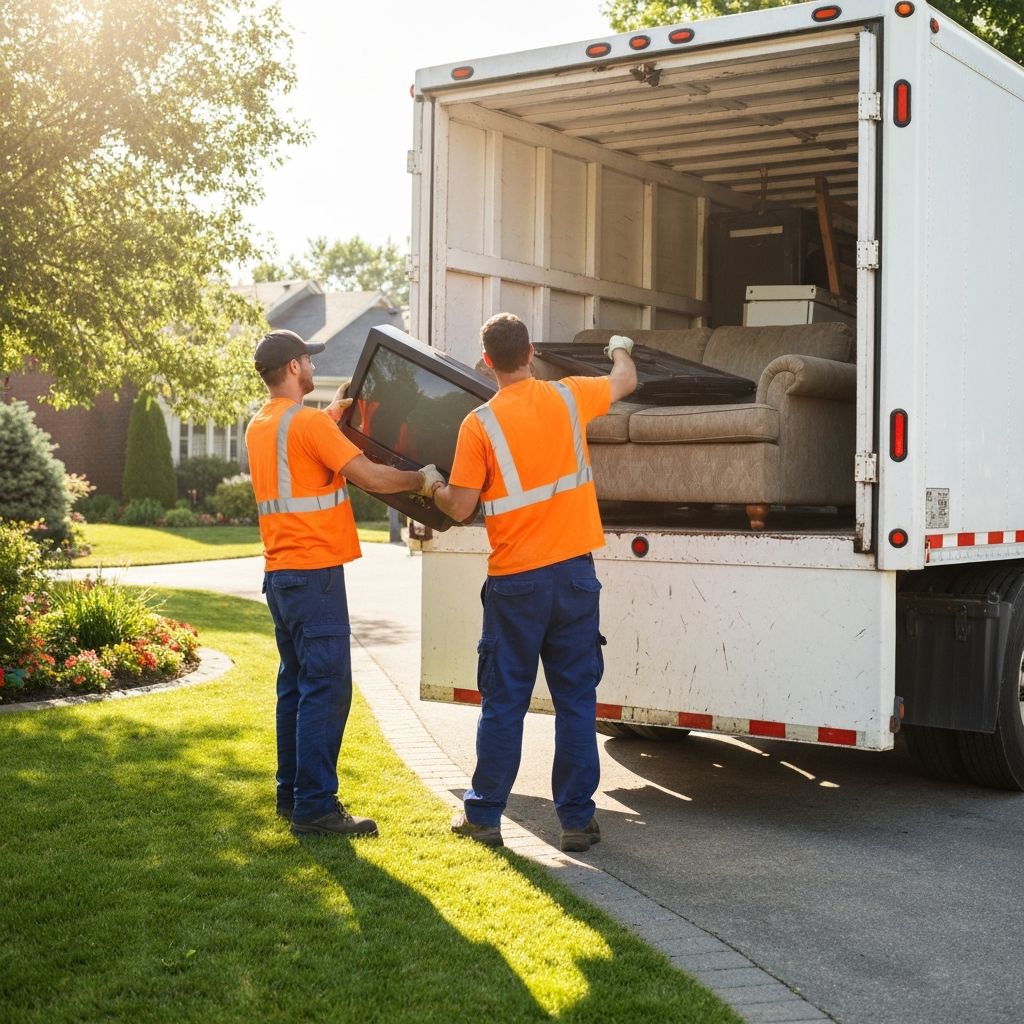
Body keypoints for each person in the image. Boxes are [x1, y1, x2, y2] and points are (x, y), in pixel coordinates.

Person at [429, 314, 637, 853]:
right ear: (532, 352)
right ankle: (575, 821)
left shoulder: (479, 424)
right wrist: (618, 347)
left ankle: (485, 816)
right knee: (575, 702)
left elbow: (459, 505)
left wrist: (430, 487)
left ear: (487, 361)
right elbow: (625, 380)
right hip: (573, 575)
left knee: (504, 702)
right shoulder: (569, 397)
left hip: (516, 582)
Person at [246, 329, 442, 839]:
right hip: (315, 577)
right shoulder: (307, 423)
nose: (312, 366)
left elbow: (304, 459)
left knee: (295, 687)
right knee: (326, 690)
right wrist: (421, 479)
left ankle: (292, 796)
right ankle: (315, 808)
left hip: (282, 575)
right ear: (293, 367)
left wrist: (331, 418)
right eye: (307, 360)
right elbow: (371, 477)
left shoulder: (263, 423)